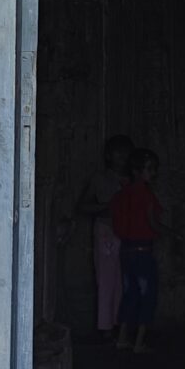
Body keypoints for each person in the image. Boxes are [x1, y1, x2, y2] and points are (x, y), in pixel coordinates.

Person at [75, 134, 133, 338]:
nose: (122, 157)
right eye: (118, 152)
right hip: (106, 231)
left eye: (126, 152)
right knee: (107, 279)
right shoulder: (100, 178)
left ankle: (121, 323)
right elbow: (83, 205)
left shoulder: (134, 179)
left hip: (129, 231)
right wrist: (106, 207)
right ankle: (106, 326)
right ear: (108, 155)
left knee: (125, 279)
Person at [110, 146, 165, 353]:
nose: (153, 174)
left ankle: (122, 338)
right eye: (150, 169)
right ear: (137, 171)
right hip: (143, 250)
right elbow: (152, 222)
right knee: (147, 295)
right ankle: (139, 342)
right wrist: (167, 233)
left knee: (129, 294)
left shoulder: (121, 194)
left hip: (126, 250)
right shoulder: (146, 195)